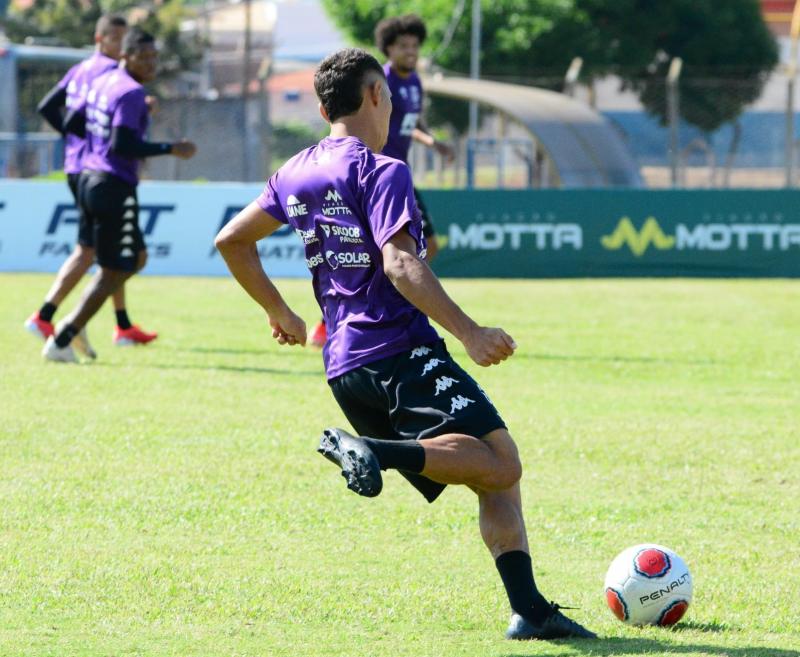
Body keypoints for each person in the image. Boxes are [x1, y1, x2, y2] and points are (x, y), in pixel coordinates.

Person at [214, 48, 596, 641]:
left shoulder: (294, 171)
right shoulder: (382, 168)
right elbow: (399, 263)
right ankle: (373, 449)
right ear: (374, 96)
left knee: (493, 471)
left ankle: (530, 610)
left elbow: (232, 240)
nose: (391, 104)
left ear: (320, 108)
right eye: (387, 95)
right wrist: (470, 332)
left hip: (343, 364)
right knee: (502, 462)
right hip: (399, 350)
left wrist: (278, 310)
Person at [42, 28, 197, 363]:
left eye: (155, 56)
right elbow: (123, 145)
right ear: (125, 56)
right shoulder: (131, 92)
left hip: (88, 177)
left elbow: (70, 118)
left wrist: (93, 146)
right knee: (116, 268)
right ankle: (64, 336)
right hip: (112, 185)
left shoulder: (105, 82)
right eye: (144, 56)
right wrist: (172, 148)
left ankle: (77, 321)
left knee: (135, 258)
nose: (151, 63)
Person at [308, 14, 453, 348]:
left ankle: (388, 300)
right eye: (403, 46)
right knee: (370, 252)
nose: (411, 51)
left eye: (415, 45)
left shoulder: (414, 82)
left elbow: (409, 123)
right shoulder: (379, 79)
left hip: (399, 174)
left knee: (428, 246)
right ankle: (331, 321)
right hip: (375, 174)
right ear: (389, 48)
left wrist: (433, 142)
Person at [25, 14, 159, 354]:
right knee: (103, 255)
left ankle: (119, 323)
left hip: (83, 168)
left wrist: (84, 138)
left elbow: (54, 109)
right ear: (100, 39)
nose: (121, 45)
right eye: (116, 38)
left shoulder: (82, 69)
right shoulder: (110, 75)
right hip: (99, 171)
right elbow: (114, 135)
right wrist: (95, 141)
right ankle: (51, 316)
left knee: (105, 253)